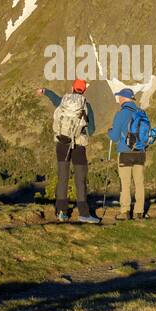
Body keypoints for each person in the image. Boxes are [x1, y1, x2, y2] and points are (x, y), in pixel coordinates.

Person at [38, 79, 101, 224]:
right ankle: (84, 213)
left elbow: (54, 98)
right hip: (78, 145)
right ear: (84, 90)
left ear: (72, 88)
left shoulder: (63, 101)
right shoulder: (86, 105)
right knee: (80, 179)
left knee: (63, 177)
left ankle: (61, 211)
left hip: (62, 143)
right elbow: (92, 130)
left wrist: (44, 91)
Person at [108, 87, 147, 219]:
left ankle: (125, 211)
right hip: (140, 152)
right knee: (139, 183)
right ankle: (139, 212)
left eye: (119, 97)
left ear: (124, 98)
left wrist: (109, 131)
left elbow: (114, 137)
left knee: (125, 183)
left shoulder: (121, 114)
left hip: (125, 152)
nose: (118, 99)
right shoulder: (141, 112)